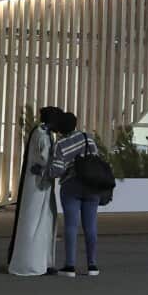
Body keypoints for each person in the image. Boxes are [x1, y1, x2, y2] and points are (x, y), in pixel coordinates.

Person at [8, 106, 61, 276]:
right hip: (39, 186)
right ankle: (33, 263)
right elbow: (45, 159)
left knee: (39, 222)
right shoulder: (43, 135)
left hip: (39, 185)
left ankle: (41, 261)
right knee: (37, 223)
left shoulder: (39, 132)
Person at [48, 112, 103, 277]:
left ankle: (70, 266)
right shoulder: (88, 138)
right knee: (91, 226)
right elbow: (96, 159)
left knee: (71, 226)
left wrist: (46, 172)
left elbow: (57, 169)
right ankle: (92, 266)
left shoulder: (61, 144)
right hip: (92, 186)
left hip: (72, 186)